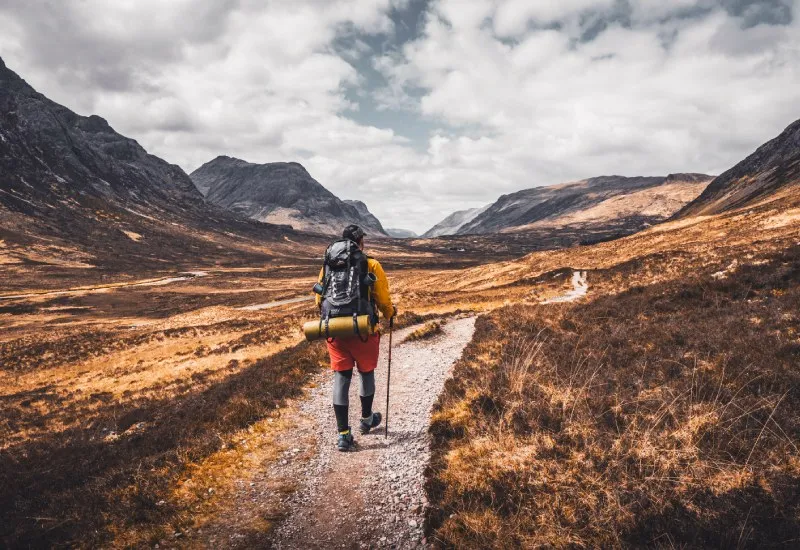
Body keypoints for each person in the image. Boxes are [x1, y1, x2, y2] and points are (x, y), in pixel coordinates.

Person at [316, 224, 396, 451]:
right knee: (366, 373)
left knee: (341, 378)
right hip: (363, 330)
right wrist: (390, 314)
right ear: (360, 242)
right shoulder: (371, 264)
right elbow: (382, 297)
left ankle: (343, 435)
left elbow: (319, 298)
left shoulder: (329, 265)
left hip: (335, 330)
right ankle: (366, 419)